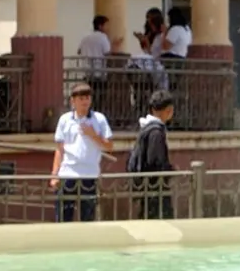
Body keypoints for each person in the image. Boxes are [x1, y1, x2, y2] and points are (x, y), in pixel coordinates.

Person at [51, 82, 113, 222]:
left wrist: (93, 135)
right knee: (63, 218)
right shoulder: (65, 120)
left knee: (88, 219)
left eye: (87, 98)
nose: (85, 102)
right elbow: (60, 149)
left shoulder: (99, 119)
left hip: (89, 175)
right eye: (81, 98)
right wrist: (55, 174)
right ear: (73, 101)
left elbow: (109, 147)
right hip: (67, 174)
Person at [127, 90, 175, 219]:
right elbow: (154, 161)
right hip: (155, 189)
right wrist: (168, 170)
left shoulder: (147, 128)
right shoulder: (156, 132)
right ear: (169, 110)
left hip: (148, 188)